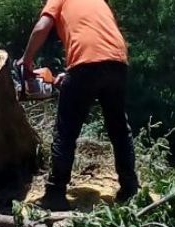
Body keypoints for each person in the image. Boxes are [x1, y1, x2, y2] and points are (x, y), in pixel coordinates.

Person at [18, 0, 139, 211]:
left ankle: (55, 193)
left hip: (86, 64)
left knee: (65, 132)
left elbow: (42, 27)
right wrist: (70, 74)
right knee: (119, 128)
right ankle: (130, 189)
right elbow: (95, 40)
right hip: (117, 62)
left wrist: (26, 60)